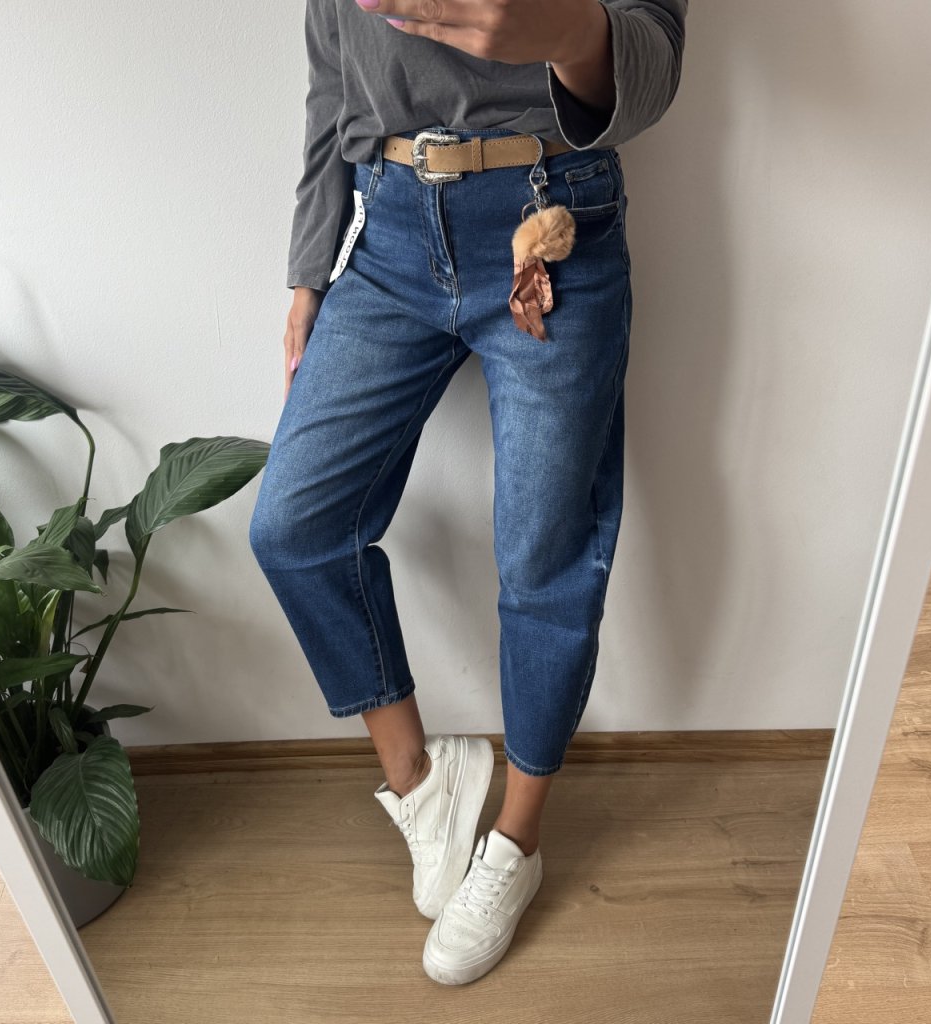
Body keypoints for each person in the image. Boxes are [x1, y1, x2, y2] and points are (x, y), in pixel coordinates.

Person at [249, 0, 687, 985]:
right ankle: (423, 782)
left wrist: (568, 34)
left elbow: (656, 61)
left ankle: (516, 842)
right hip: (390, 232)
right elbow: (330, 78)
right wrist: (308, 272)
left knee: (542, 557)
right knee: (295, 527)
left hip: (550, 218)